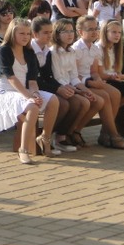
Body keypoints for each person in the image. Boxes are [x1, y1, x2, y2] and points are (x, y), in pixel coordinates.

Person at [0, 18, 59, 164]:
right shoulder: (3, 51)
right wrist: (30, 97)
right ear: (12, 33)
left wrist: (35, 94)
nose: (26, 37)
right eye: (21, 33)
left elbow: (32, 81)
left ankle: (45, 138)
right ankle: (23, 149)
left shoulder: (29, 53)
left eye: (28, 34)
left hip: (24, 89)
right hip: (6, 90)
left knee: (53, 100)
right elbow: (11, 78)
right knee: (32, 106)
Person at [72, 15, 124, 149]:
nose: (94, 32)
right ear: (80, 32)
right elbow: (74, 75)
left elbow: (94, 72)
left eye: (96, 28)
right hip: (79, 83)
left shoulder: (94, 49)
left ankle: (105, 133)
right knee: (104, 96)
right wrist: (91, 84)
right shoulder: (76, 49)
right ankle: (114, 135)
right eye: (90, 29)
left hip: (90, 80)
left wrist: (98, 80)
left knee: (115, 93)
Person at [50, 18, 100, 149]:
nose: (70, 34)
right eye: (65, 31)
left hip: (69, 87)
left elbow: (74, 76)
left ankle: (67, 133)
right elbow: (58, 77)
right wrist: (77, 91)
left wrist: (85, 90)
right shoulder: (53, 52)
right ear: (57, 34)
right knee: (79, 102)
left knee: (87, 100)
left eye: (71, 31)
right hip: (58, 87)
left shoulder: (71, 51)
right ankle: (56, 136)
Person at [30, 17, 78, 153]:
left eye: (50, 32)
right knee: (63, 103)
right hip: (30, 88)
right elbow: (34, 79)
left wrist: (61, 88)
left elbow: (48, 77)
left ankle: (58, 137)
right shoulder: (30, 50)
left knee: (75, 102)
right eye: (45, 32)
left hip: (42, 87)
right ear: (35, 34)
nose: (49, 35)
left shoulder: (46, 51)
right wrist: (58, 89)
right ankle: (45, 137)